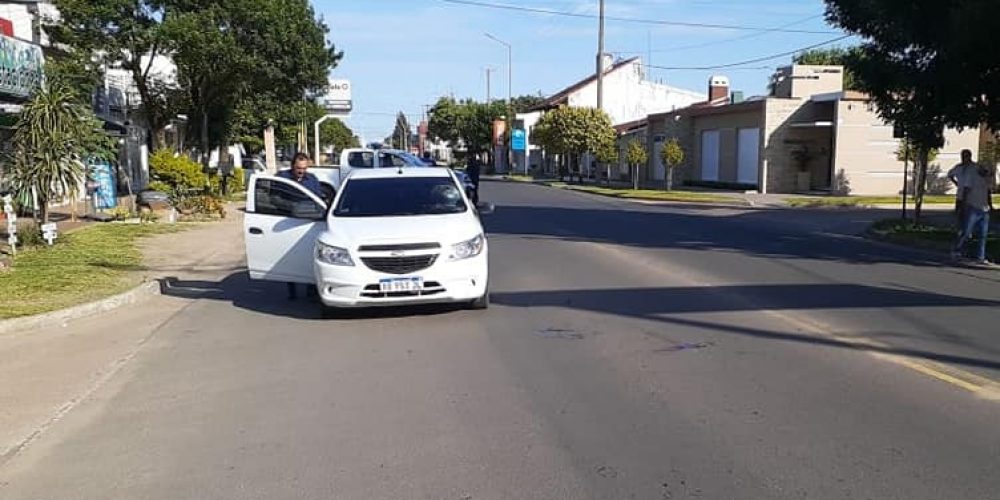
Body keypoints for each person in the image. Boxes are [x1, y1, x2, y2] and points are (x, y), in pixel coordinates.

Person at [277, 152, 322, 299]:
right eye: (298, 168)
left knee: (309, 257)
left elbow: (318, 200)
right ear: (292, 166)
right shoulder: (283, 178)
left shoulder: (312, 180)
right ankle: (292, 290)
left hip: (308, 223)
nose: (301, 171)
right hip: (288, 222)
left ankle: (311, 289)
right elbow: (274, 197)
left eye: (304, 168)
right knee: (290, 257)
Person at [952, 162, 995, 265]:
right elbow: (966, 191)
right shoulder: (971, 177)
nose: (986, 172)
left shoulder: (987, 179)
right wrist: (964, 206)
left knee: (983, 235)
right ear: (979, 169)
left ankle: (980, 256)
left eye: (987, 171)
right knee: (966, 232)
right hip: (973, 208)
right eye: (984, 170)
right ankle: (957, 250)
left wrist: (990, 206)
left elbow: (988, 193)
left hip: (984, 210)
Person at [948, 149, 978, 236]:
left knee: (970, 214)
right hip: (960, 195)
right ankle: (960, 230)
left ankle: (969, 231)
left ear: (970, 156)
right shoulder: (958, 167)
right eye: (963, 156)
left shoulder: (974, 167)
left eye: (966, 156)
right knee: (960, 213)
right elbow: (950, 174)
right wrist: (956, 183)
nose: (964, 158)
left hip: (972, 195)